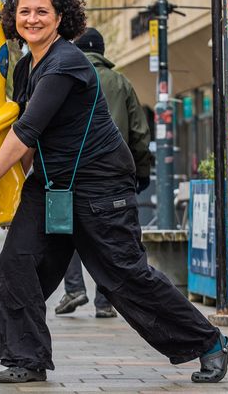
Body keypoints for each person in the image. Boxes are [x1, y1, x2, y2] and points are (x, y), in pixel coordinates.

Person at [0, 0, 228, 385]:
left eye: (42, 12)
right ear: (13, 19)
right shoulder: (25, 70)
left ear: (60, 17)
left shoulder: (67, 62)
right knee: (18, 263)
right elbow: (26, 139)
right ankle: (26, 357)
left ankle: (210, 343)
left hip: (99, 184)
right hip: (52, 184)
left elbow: (28, 129)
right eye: (24, 12)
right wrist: (15, 189)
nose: (32, 19)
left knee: (122, 276)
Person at [55, 27, 153, 319]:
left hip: (71, 173)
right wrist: (142, 170)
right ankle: (104, 300)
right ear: (102, 50)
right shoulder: (120, 82)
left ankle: (74, 288)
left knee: (67, 229)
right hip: (112, 175)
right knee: (109, 235)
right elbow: (139, 132)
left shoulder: (65, 78)